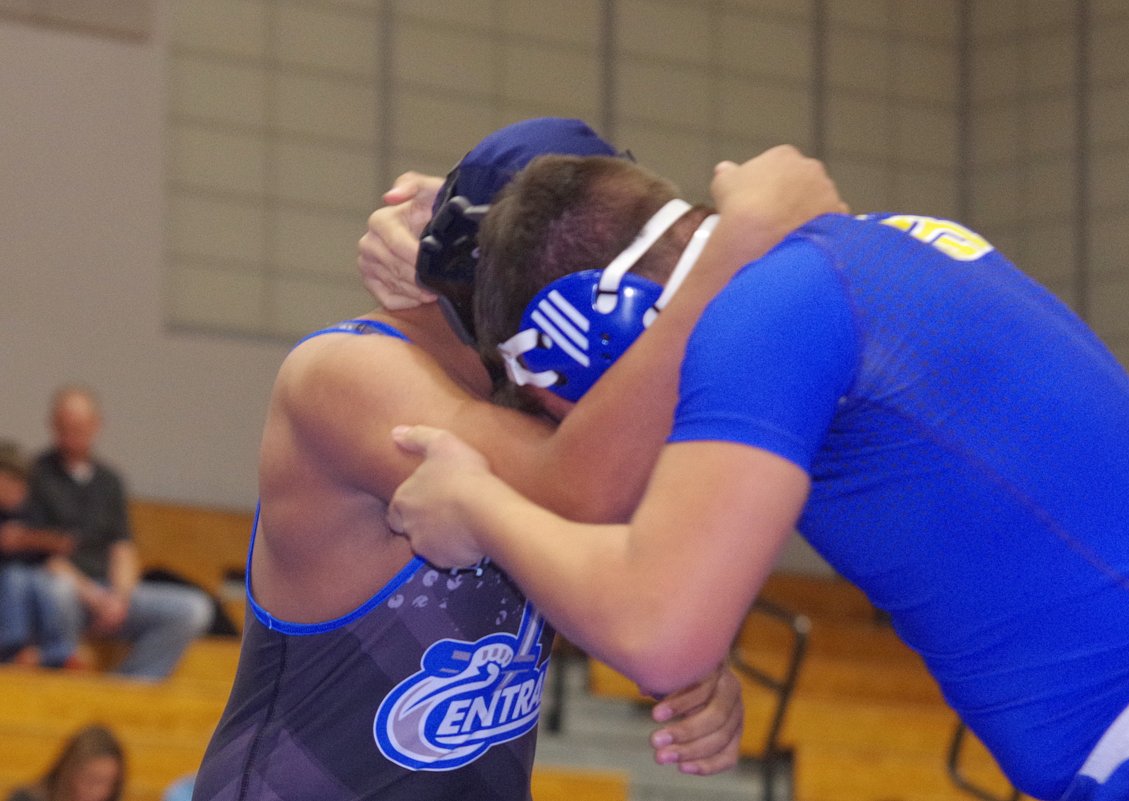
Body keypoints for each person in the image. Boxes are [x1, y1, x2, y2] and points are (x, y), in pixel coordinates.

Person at [389, 152, 1129, 801]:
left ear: (598, 326)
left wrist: (475, 501)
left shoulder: (767, 308)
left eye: (589, 402)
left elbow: (659, 628)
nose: (623, 433)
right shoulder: (868, 251)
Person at [192, 118, 845, 801]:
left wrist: (694, 668)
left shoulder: (546, 416)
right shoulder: (346, 373)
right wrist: (728, 258)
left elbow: (631, 570)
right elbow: (573, 494)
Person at [26, 386, 214, 680]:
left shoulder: (109, 480)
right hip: (66, 592)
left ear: (96, 425)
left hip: (109, 591)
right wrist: (94, 597)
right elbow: (41, 555)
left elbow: (122, 546)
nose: (72, 435)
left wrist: (120, 599)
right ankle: (62, 676)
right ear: (53, 425)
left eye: (79, 427)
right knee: (55, 592)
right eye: (64, 427)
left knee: (193, 608)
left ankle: (128, 686)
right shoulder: (35, 475)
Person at [0, 440, 79, 667]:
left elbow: (64, 543)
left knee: (53, 585)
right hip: (9, 583)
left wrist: (26, 538)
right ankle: (11, 650)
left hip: (36, 580)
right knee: (16, 577)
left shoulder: (34, 509)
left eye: (16, 482)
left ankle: (59, 653)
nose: (10, 488)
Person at [6, 723, 125, 801]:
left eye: (108, 782)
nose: (97, 791)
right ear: (69, 771)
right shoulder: (26, 798)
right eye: (90, 779)